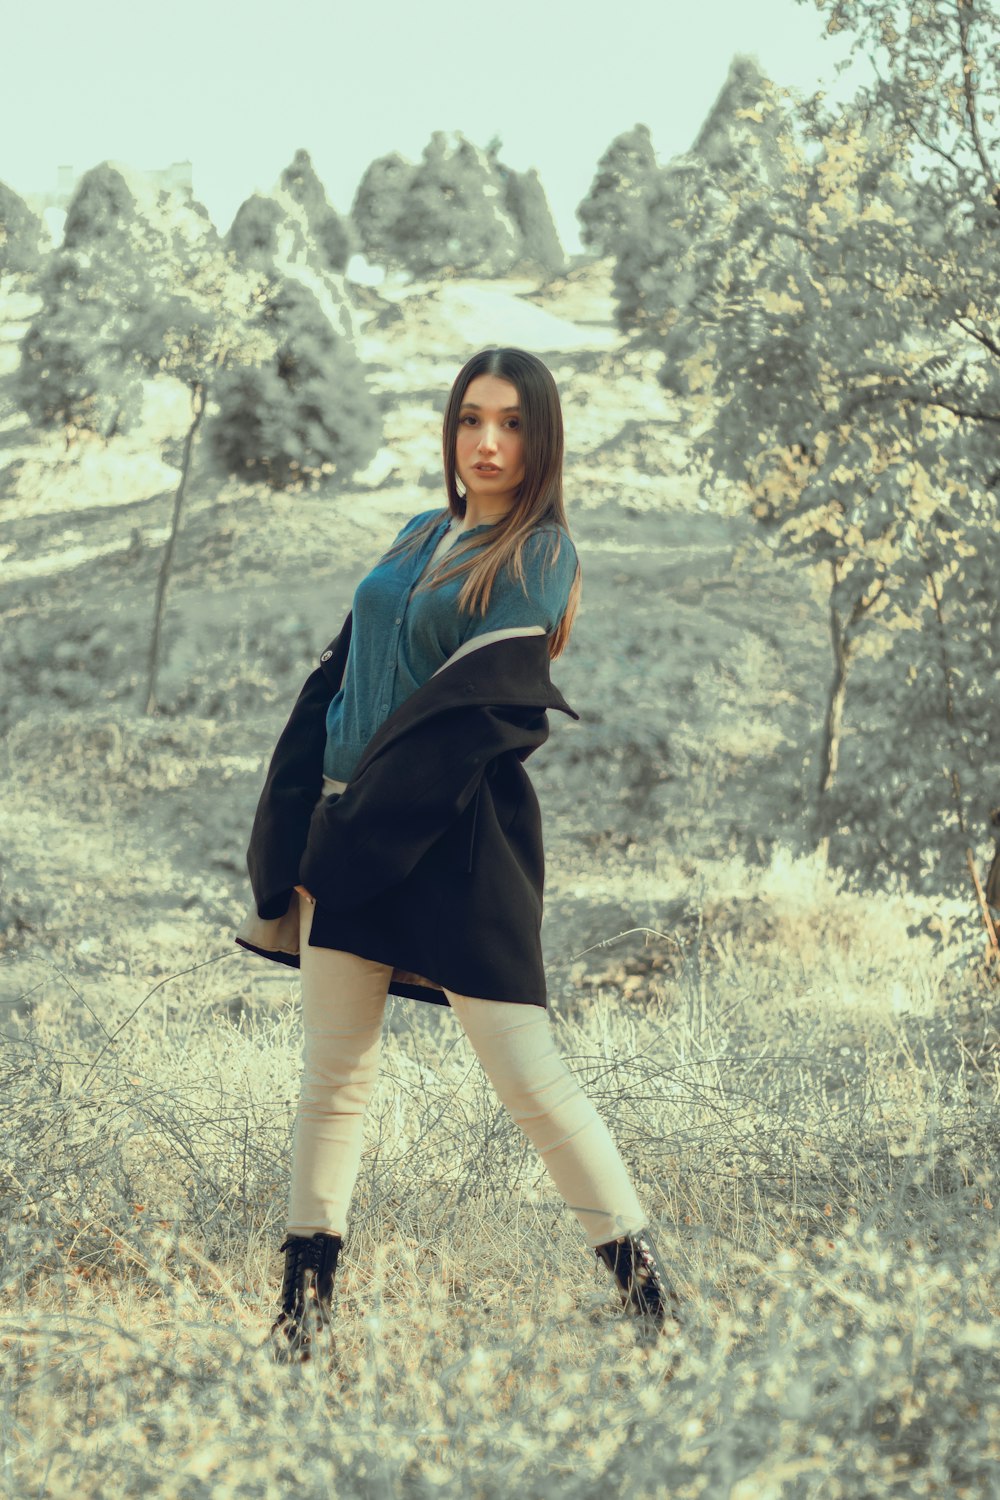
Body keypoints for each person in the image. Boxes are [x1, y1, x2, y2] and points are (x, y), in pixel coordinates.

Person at [235, 346, 682, 1363]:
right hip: (352, 830)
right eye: (471, 418)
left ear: (541, 440)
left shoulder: (542, 555)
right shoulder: (416, 532)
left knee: (530, 1081)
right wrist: (306, 818)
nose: (487, 441)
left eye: (513, 423)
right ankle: (300, 1324)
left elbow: (477, 719)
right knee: (332, 1079)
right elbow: (342, 677)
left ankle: (655, 1308)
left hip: (458, 836)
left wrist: (358, 829)